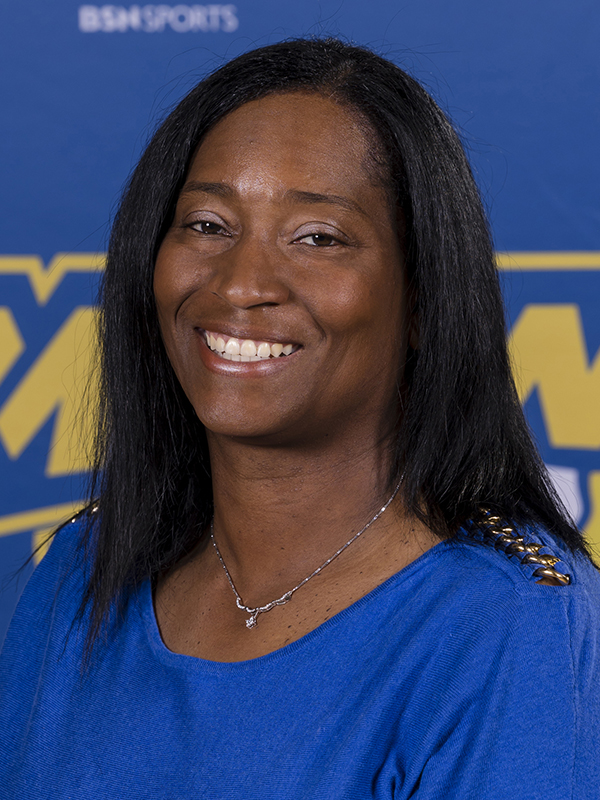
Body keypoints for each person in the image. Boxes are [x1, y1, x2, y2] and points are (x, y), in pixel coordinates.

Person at [1, 37, 599, 798]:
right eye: (207, 224)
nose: (239, 284)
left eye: (317, 237)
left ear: (423, 298)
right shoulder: (82, 569)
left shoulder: (510, 624)